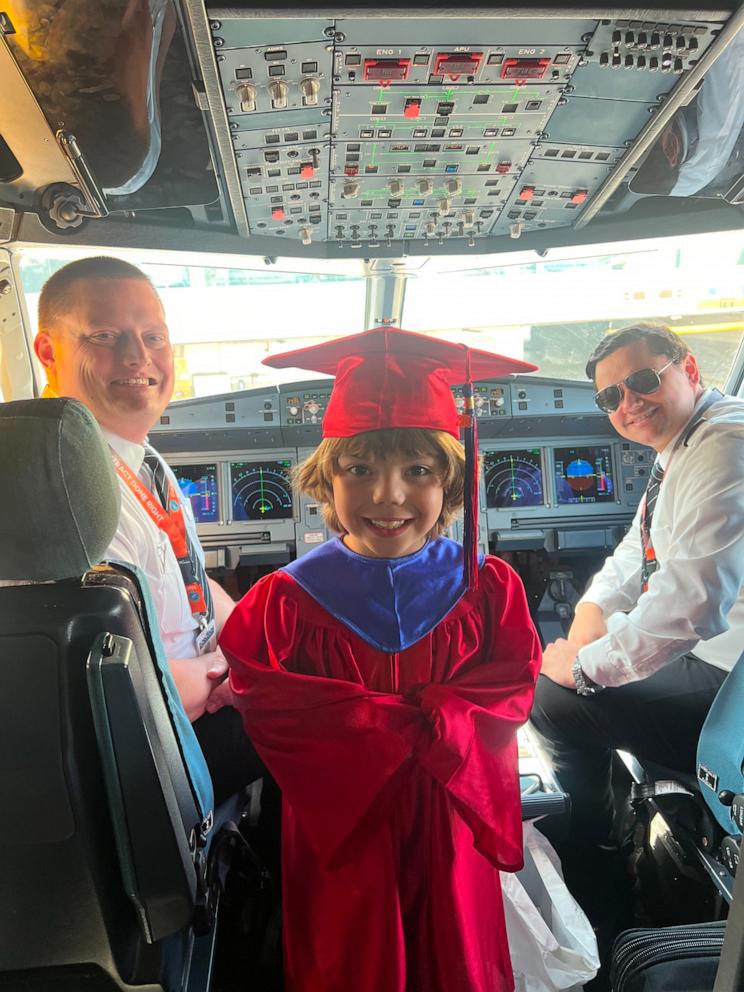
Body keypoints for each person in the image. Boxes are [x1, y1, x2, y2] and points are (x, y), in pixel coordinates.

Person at [218, 326, 542, 992]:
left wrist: (419, 727)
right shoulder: (283, 603)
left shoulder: (487, 588)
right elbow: (273, 709)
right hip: (344, 832)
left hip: (451, 818)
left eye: (417, 470)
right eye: (358, 468)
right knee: (356, 961)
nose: (388, 495)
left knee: (456, 956)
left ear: (449, 481)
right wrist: (422, 726)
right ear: (325, 477)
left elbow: (511, 686)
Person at [33, 255, 262, 802]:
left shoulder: (140, 460)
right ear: (48, 352)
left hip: (186, 698)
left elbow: (196, 589)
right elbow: (121, 695)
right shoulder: (69, 496)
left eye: (153, 336)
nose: (138, 357)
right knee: (333, 722)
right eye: (105, 336)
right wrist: (225, 673)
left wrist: (267, 637)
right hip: (154, 747)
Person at [532, 323, 744, 900]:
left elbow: (690, 608)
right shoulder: (690, 442)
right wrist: (595, 609)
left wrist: (581, 668)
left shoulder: (724, 448)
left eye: (643, 380)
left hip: (729, 684)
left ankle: (593, 849)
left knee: (550, 702)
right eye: (611, 396)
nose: (629, 403)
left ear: (690, 369)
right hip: (722, 659)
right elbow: (640, 545)